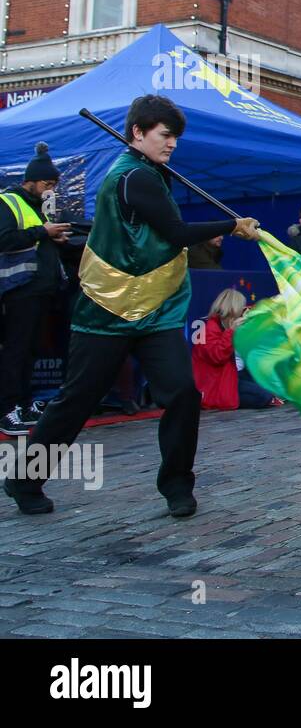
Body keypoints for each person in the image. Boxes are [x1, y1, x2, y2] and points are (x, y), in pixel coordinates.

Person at [3, 94, 259, 517]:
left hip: (154, 310)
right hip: (106, 310)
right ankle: (25, 479)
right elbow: (175, 232)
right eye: (164, 135)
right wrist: (231, 224)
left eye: (175, 137)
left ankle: (177, 485)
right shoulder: (133, 177)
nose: (172, 143)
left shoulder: (151, 173)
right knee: (76, 400)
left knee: (180, 393)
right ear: (138, 133)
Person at [0, 143, 71, 436]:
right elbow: (5, 239)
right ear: (30, 180)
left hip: (42, 289)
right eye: (46, 183)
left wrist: (53, 239)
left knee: (31, 350)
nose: (50, 189)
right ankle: (6, 408)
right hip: (20, 288)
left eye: (54, 184)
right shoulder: (8, 201)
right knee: (16, 350)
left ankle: (25, 402)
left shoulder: (38, 207)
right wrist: (44, 232)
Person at [191, 289, 281, 410]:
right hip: (216, 384)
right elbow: (217, 357)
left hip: (231, 375)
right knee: (263, 396)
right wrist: (232, 332)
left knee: (267, 383)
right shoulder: (208, 328)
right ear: (232, 310)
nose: (242, 312)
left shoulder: (225, 325)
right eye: (241, 309)